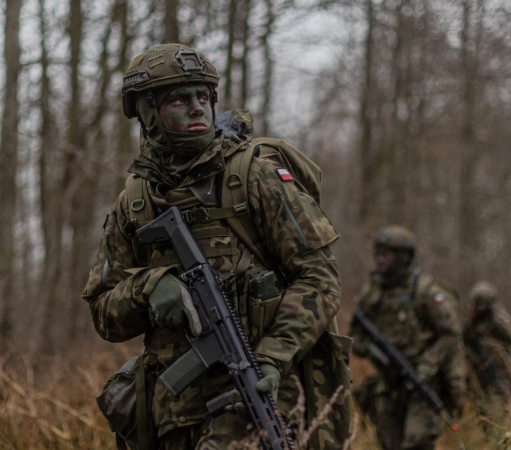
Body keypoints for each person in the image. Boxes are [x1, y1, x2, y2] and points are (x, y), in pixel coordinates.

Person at [82, 43, 350, 449]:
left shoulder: (254, 176)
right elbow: (104, 313)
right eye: (179, 100)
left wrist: (274, 356)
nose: (197, 109)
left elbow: (319, 277)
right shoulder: (135, 202)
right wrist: (150, 287)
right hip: (172, 415)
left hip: (258, 396)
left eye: (203, 97)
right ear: (148, 113)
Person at [349, 225, 465, 450]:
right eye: (378, 253)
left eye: (388, 254)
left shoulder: (425, 291)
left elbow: (450, 336)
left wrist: (426, 365)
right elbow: (355, 334)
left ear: (404, 257)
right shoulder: (373, 292)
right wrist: (373, 352)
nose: (381, 259)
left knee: (417, 441)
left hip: (421, 379)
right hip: (388, 381)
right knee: (389, 442)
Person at [463, 281, 511, 396]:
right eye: (479, 303)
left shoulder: (498, 319)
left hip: (498, 361)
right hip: (476, 362)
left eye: (484, 303)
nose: (481, 307)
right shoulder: (471, 319)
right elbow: (463, 340)